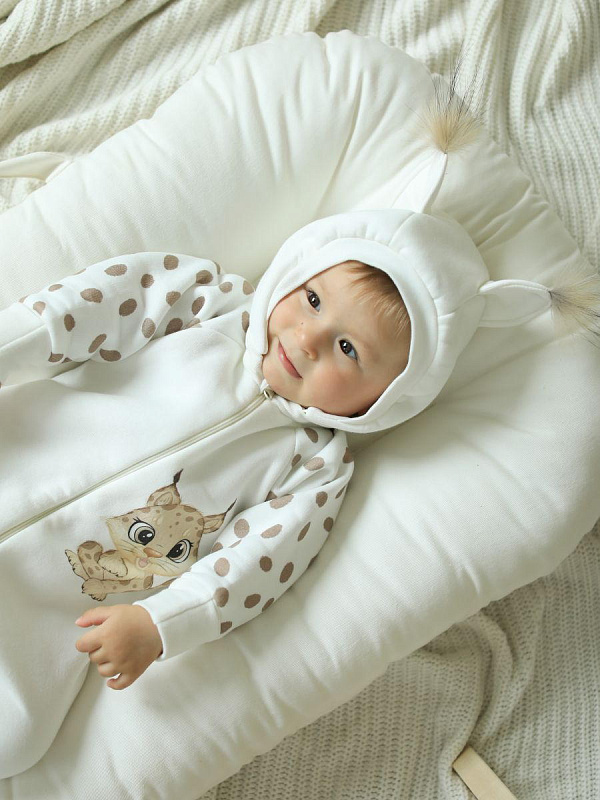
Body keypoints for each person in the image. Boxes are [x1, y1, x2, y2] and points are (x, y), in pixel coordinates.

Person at [1, 100, 599, 781]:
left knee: (18, 736)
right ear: (297, 270)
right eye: (313, 300)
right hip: (18, 451)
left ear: (387, 398)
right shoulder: (205, 302)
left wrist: (161, 624)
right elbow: (83, 309)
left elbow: (251, 569)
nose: (309, 338)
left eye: (348, 349)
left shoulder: (313, 472)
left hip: (50, 606)